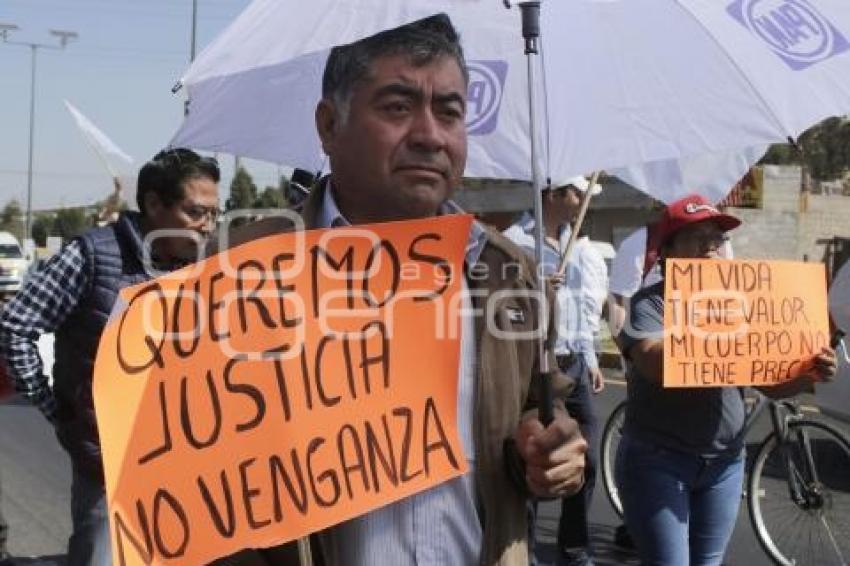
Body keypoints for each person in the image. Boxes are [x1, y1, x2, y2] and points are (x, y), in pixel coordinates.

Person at [214, 14, 587, 566]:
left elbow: (535, 412)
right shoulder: (237, 271)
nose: (430, 135)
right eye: (396, 106)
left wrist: (546, 454)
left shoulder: (511, 273)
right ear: (328, 125)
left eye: (449, 111)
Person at [0, 148, 220, 566]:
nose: (207, 226)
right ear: (155, 203)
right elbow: (16, 328)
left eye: (214, 213)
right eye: (196, 212)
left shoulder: (207, 267)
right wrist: (59, 411)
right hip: (109, 470)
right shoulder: (91, 256)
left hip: (188, 466)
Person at [614, 194, 837, 565]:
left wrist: (808, 372)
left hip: (725, 465)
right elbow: (652, 363)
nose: (710, 246)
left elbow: (769, 384)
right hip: (658, 463)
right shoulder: (649, 304)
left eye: (717, 238)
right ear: (668, 251)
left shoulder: (741, 304)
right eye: (696, 236)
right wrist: (713, 328)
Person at [504, 176, 607, 566]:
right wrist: (537, 288)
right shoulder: (515, 239)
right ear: (552, 194)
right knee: (533, 454)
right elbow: (501, 301)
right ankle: (525, 550)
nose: (583, 202)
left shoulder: (577, 244)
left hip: (574, 364)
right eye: (578, 193)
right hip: (535, 365)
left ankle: (575, 545)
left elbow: (583, 309)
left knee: (589, 458)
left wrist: (591, 358)